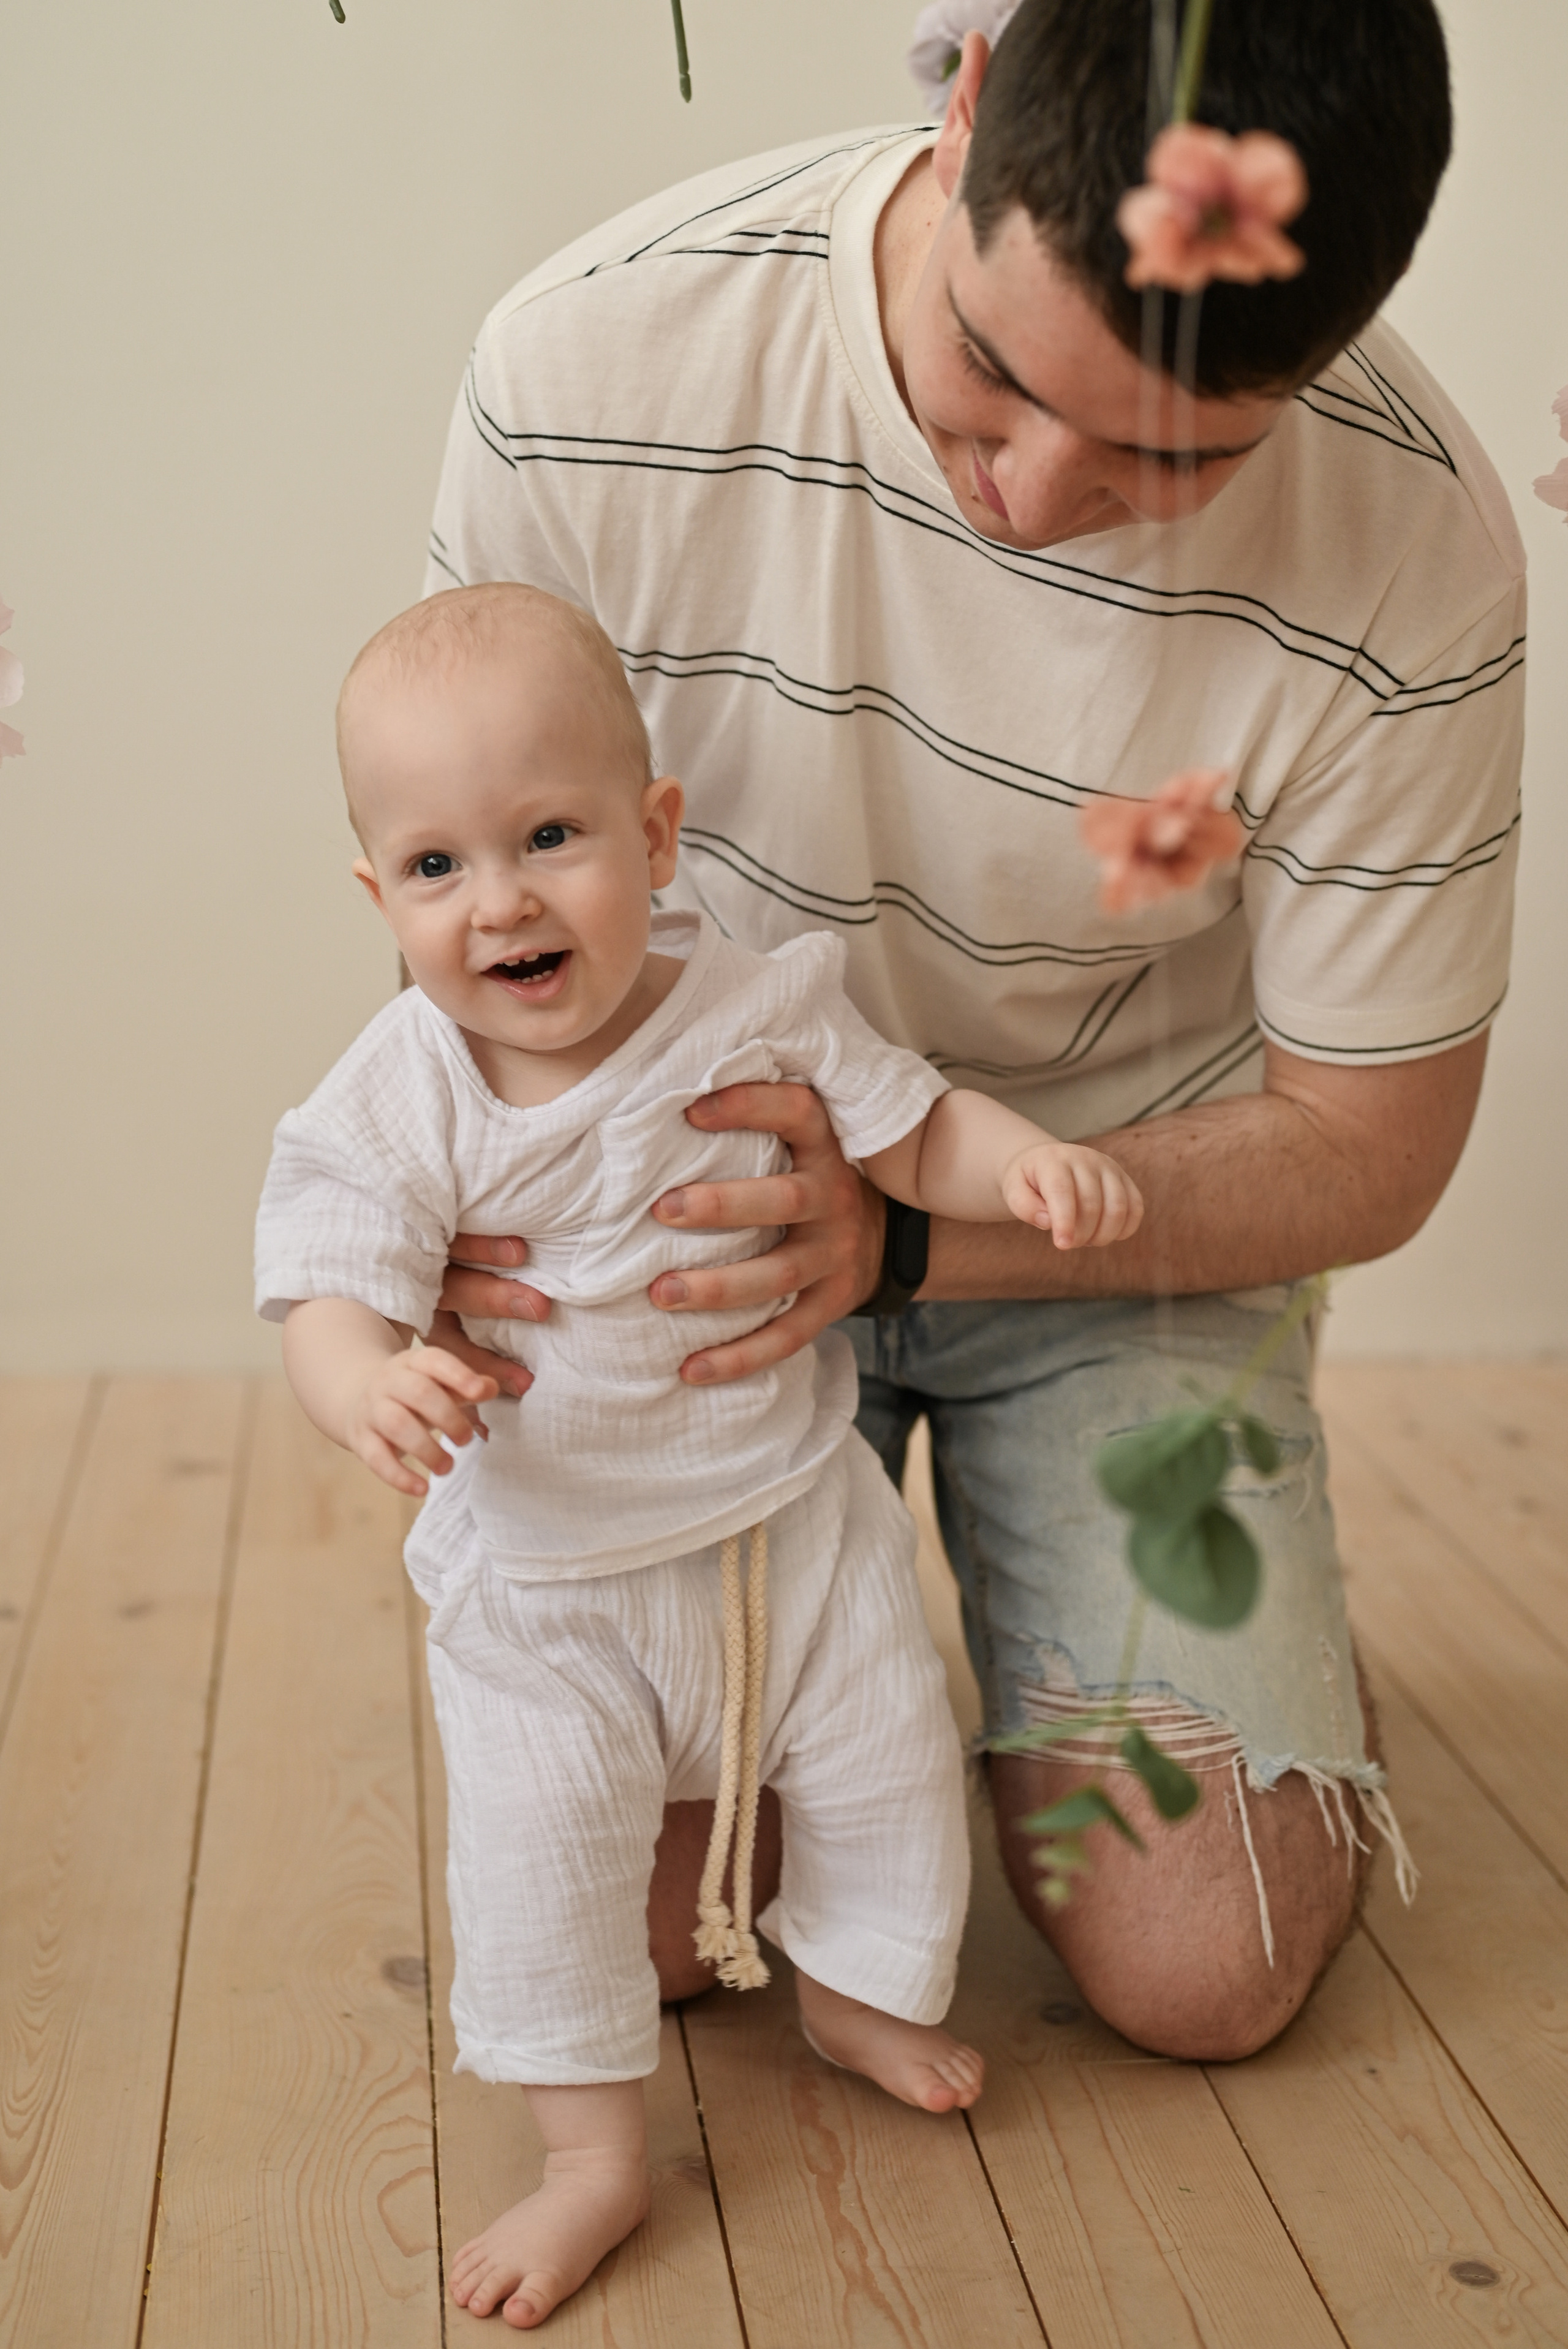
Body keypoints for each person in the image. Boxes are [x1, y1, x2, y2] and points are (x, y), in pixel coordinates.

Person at [422, 0, 1524, 2061]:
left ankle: (1195, 1643)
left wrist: (914, 1232)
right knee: (664, 1925)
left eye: (1169, 463)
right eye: (997, 380)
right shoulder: (586, 367)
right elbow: (461, 899)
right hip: (712, 1220)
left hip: (1115, 1214)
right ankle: (908, 1657)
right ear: (972, 92)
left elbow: (1370, 1147)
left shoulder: (1419, 552)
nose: (1027, 498)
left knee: (1205, 1963)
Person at [257, 582, 1145, 2328]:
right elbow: (320, 1275)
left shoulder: (753, 1002)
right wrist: (363, 1376)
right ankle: (591, 2157)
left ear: (654, 838)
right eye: (436, 867)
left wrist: (1019, 1161)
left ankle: (860, 1990)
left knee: (885, 1760)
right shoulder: (405, 1086)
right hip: (550, 1597)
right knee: (549, 1857)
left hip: (787, 1536)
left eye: (550, 835)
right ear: (382, 900)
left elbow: (910, 1121)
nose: (499, 897)